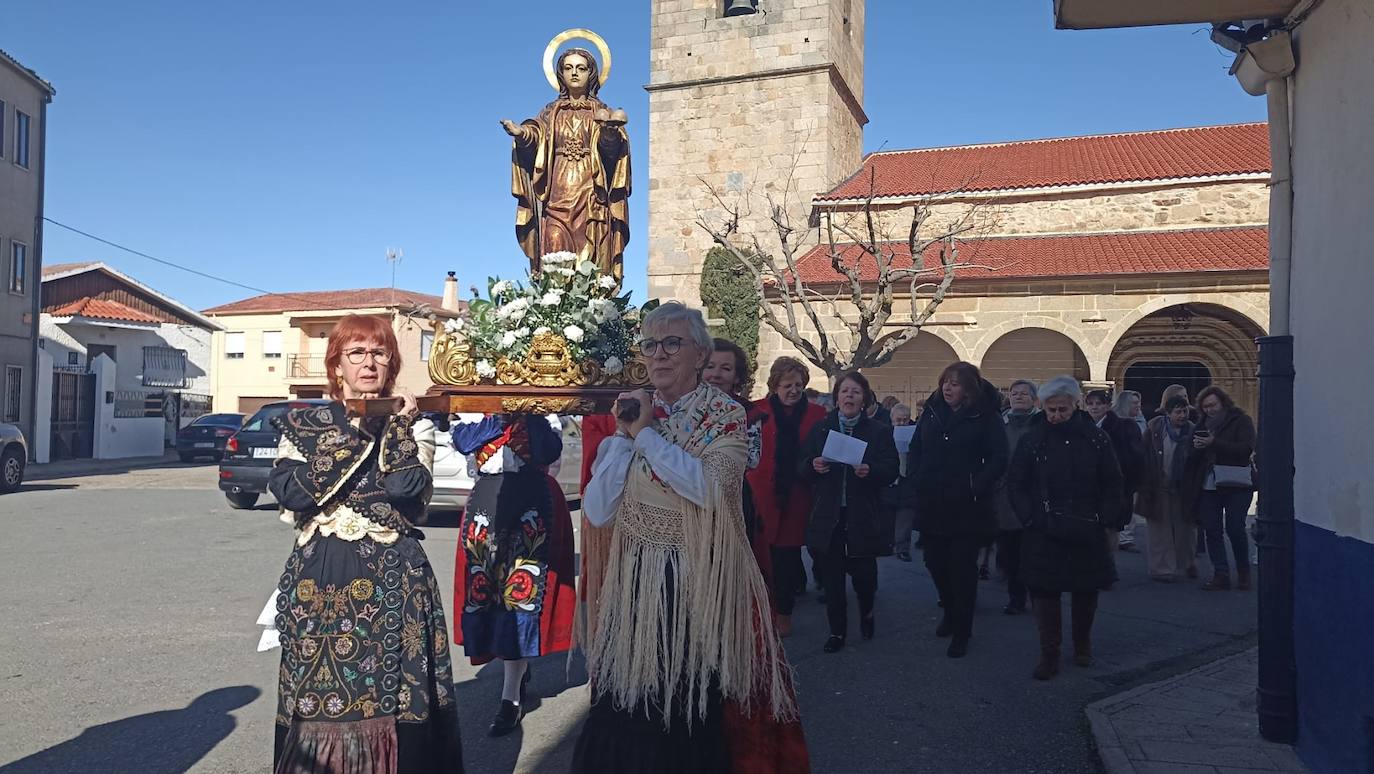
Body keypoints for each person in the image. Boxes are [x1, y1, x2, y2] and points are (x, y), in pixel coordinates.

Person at [574, 302, 807, 773]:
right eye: (650, 344)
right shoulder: (636, 412)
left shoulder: (726, 416)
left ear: (700, 355)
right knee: (628, 705)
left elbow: (709, 491)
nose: (658, 354)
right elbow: (599, 510)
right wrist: (622, 438)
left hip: (698, 582)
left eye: (672, 343)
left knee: (689, 703)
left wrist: (645, 437)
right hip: (637, 581)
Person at [267, 314, 463, 773]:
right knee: (316, 695)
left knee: (395, 697)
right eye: (357, 353)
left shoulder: (415, 426)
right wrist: (353, 433)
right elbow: (293, 491)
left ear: (391, 363)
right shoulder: (306, 424)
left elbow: (406, 491)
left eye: (379, 353)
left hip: (395, 581)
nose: (369, 363)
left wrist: (396, 426)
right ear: (337, 365)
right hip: (321, 581)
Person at [450, 412, 574, 736]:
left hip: (532, 502)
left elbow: (549, 451)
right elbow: (463, 440)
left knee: (521, 595)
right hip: (487, 503)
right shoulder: (476, 410)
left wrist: (526, 414)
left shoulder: (541, 415)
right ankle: (514, 677)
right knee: (486, 594)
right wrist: (500, 419)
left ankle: (510, 697)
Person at [1007, 376, 1125, 680]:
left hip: (1086, 525)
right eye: (1050, 410)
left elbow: (1112, 481)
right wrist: (1029, 518)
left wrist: (1105, 517)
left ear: (1076, 405)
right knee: (1044, 594)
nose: (1056, 416)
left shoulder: (1096, 438)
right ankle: (1050, 652)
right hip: (1043, 527)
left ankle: (1082, 644)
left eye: (1062, 409)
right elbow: (1017, 482)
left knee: (1085, 591)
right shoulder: (1033, 439)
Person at [502, 47, 631, 282]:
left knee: (590, 256)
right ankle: (555, 309)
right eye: (568, 68)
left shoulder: (601, 112)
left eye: (581, 68)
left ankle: (592, 310)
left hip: (591, 193)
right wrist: (521, 134)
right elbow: (536, 135)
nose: (574, 73)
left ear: (590, 74)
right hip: (557, 192)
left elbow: (612, 153)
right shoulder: (551, 113)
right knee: (554, 247)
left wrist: (610, 135)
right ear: (560, 73)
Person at [910, 362, 1009, 658]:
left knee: (962, 569)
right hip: (933, 502)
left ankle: (962, 629)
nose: (948, 387)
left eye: (955, 383)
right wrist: (916, 476)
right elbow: (916, 447)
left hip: (967, 506)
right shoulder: (932, 411)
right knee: (935, 562)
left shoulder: (985, 416)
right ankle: (950, 610)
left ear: (968, 388)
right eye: (945, 382)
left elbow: (998, 458)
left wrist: (974, 486)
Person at [800, 371, 900, 653]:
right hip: (829, 515)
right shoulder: (821, 429)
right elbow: (802, 465)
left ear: (864, 398)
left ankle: (867, 613)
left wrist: (871, 470)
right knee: (832, 579)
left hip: (863, 514)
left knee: (864, 575)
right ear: (837, 398)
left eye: (856, 392)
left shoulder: (878, 430)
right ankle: (837, 632)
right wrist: (813, 465)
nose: (850, 397)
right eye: (845, 392)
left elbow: (891, 467)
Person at [747, 356, 828, 637]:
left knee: (786, 560)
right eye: (787, 385)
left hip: (798, 497)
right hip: (762, 496)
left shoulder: (817, 415)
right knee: (759, 558)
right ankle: (760, 610)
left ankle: (784, 614)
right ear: (775, 386)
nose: (794, 390)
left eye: (798, 385)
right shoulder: (758, 411)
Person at [704, 338, 771, 584]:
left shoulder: (747, 413)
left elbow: (752, 459)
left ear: (736, 376)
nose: (716, 374)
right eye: (710, 366)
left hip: (731, 500)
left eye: (726, 368)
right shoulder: (681, 407)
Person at [1193, 386, 1257, 591]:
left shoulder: (1241, 421)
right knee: (1212, 529)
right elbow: (1191, 451)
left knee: (1235, 528)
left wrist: (1214, 443)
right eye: (1205, 407)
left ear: (1223, 402)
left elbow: (1245, 449)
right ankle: (1220, 573)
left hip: (1236, 483)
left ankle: (1243, 571)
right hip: (1209, 483)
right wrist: (1197, 446)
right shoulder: (1202, 423)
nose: (1209, 410)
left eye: (1213, 405)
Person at [1137, 395, 1207, 581]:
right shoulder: (1155, 428)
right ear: (1168, 413)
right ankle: (1162, 569)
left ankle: (1186, 563)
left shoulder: (1194, 430)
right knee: (1159, 529)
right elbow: (1143, 454)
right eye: (1178, 411)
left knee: (1186, 529)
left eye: (1185, 411)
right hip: (1157, 485)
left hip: (1185, 488)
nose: (1182, 415)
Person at [995, 379, 1039, 615]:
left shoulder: (1041, 423)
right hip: (1004, 496)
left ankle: (1036, 594)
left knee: (1032, 550)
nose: (1018, 396)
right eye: (1014, 393)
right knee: (1010, 551)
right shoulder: (1000, 424)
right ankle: (1016, 597)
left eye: (1024, 393)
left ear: (1034, 399)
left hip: (1033, 494)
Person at [1085, 389, 1144, 557]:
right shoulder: (1081, 425)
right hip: (1087, 487)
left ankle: (1107, 570)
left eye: (1099, 403)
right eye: (1090, 404)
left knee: (1110, 531)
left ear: (1108, 405)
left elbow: (1135, 459)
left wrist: (1128, 484)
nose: (1094, 407)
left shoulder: (1125, 426)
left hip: (1114, 486)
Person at [886, 403, 919, 562]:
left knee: (906, 514)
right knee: (889, 513)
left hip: (908, 478)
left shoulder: (915, 432)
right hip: (891, 478)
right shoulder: (885, 433)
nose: (901, 423)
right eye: (898, 420)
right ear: (891, 420)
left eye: (905, 420)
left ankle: (902, 547)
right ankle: (888, 542)